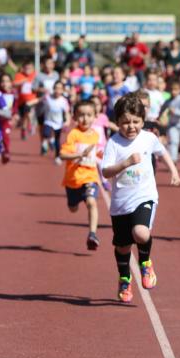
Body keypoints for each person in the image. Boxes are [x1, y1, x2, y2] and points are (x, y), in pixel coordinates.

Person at [100, 93, 180, 303]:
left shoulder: (148, 138)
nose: (131, 126)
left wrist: (173, 171)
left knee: (141, 233)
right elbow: (106, 172)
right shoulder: (114, 143)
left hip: (144, 196)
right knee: (123, 247)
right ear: (117, 122)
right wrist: (125, 164)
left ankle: (146, 263)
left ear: (143, 121)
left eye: (136, 122)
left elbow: (162, 152)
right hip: (120, 204)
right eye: (125, 122)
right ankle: (125, 278)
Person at [60, 100, 102, 250]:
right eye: (81, 115)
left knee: (92, 202)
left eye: (89, 115)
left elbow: (99, 153)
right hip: (72, 179)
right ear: (75, 117)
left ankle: (92, 234)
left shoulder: (96, 136)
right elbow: (63, 155)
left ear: (95, 116)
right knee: (73, 208)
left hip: (90, 176)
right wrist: (79, 154)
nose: (85, 118)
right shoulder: (73, 134)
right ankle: (73, 202)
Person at [42, 81, 71, 163]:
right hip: (48, 120)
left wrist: (67, 121)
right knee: (46, 133)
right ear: (53, 89)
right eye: (56, 88)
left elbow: (67, 113)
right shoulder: (48, 97)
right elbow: (39, 100)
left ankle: (57, 156)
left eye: (60, 89)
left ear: (62, 90)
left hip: (58, 123)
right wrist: (30, 104)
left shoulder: (63, 101)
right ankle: (48, 140)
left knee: (57, 141)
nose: (58, 90)